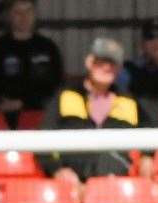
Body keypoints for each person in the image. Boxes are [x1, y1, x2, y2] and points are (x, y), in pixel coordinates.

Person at [44, 38, 142, 186]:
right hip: (72, 184)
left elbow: (151, 135)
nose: (107, 67)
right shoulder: (66, 95)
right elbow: (42, 138)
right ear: (89, 62)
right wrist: (57, 170)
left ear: (119, 69)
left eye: (113, 64)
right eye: (101, 61)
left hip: (115, 182)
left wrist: (148, 159)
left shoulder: (129, 101)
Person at [0, 0, 63, 127]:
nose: (24, 17)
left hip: (42, 118)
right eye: (18, 12)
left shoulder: (47, 48)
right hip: (4, 118)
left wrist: (23, 103)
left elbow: (56, 86)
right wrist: (1, 104)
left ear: (35, 14)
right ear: (9, 15)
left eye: (28, 11)